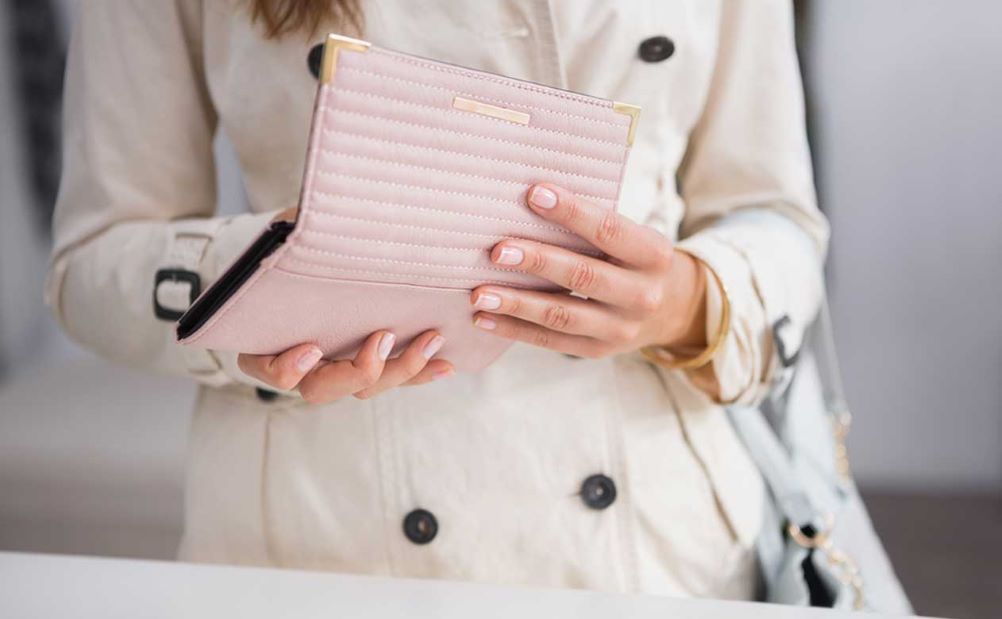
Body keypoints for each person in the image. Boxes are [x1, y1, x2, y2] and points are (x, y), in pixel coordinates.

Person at [48, 0, 827, 600]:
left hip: (659, 548)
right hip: (325, 536)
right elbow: (92, 262)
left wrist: (692, 300)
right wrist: (266, 273)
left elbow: (777, 212)